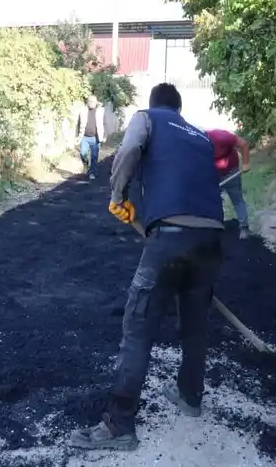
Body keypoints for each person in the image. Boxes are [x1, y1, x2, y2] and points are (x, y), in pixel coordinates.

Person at [69, 83, 225, 451]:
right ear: (180, 108)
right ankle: (190, 396)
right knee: (195, 324)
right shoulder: (199, 136)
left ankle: (119, 426)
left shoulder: (147, 118)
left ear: (155, 104)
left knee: (138, 327)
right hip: (213, 238)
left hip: (170, 238)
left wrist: (117, 194)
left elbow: (128, 150)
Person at [205, 128, 251, 239]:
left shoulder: (221, 137)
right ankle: (217, 225)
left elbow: (243, 144)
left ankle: (244, 227)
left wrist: (245, 163)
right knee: (214, 200)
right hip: (214, 175)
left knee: (237, 199)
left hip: (231, 172)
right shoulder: (197, 145)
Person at [76, 95, 105, 180]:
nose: (91, 103)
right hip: (84, 137)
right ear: (87, 102)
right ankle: (86, 164)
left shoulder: (100, 111)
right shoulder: (83, 110)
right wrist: (77, 135)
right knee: (82, 153)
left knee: (94, 156)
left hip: (95, 137)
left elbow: (104, 123)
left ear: (96, 102)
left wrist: (105, 135)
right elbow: (78, 123)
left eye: (93, 101)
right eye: (90, 101)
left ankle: (92, 173)